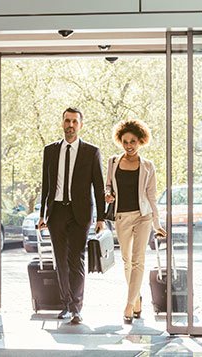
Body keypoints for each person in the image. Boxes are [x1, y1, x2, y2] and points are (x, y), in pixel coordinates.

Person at [38, 107, 105, 324]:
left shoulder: (91, 152)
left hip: (80, 213)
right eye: (67, 121)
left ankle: (77, 307)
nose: (70, 125)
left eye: (75, 121)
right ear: (62, 123)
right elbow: (46, 186)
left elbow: (98, 186)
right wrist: (42, 215)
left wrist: (101, 218)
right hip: (56, 211)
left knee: (76, 259)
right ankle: (65, 304)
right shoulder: (50, 151)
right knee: (60, 260)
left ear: (80, 125)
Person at [105, 118, 167, 324]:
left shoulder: (148, 166)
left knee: (138, 259)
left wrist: (157, 224)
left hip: (143, 217)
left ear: (140, 141)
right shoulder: (113, 162)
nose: (129, 145)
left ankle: (129, 305)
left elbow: (152, 196)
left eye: (133, 141)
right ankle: (137, 299)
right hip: (122, 217)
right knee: (127, 261)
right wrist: (108, 195)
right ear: (120, 141)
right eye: (125, 141)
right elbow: (108, 186)